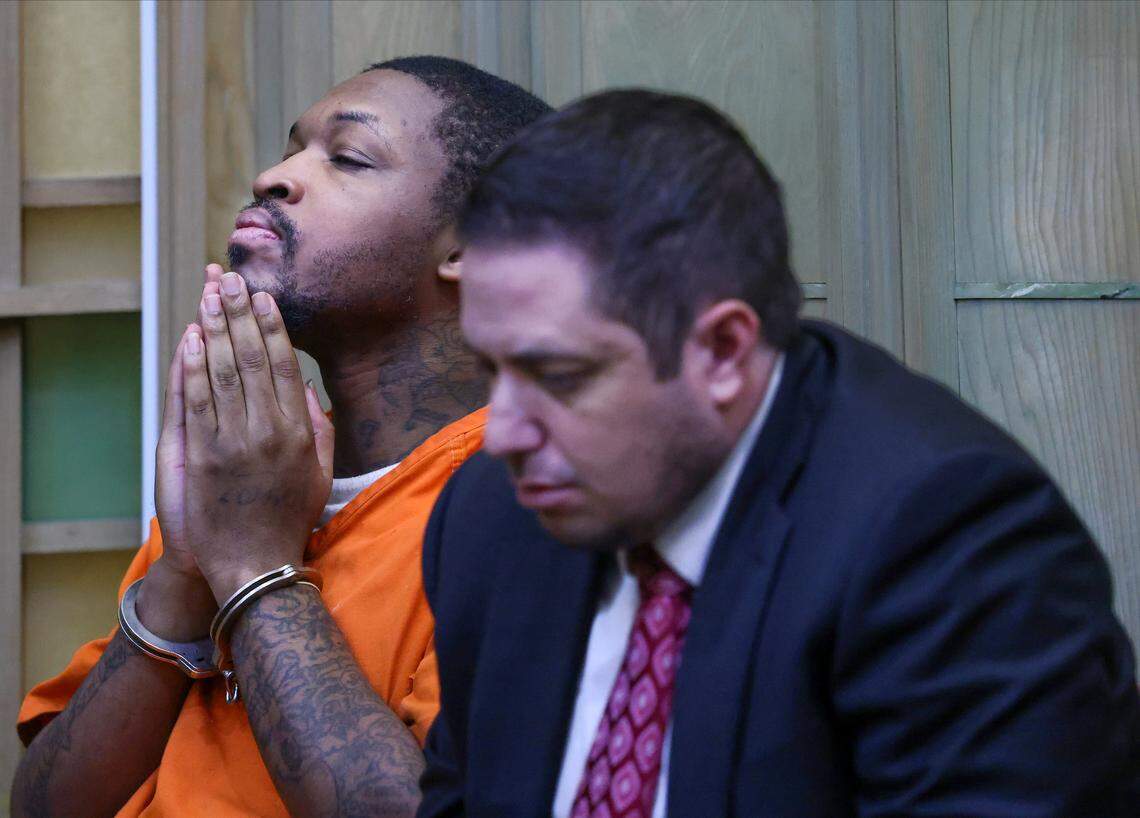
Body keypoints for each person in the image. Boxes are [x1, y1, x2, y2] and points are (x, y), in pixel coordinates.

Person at [417, 89, 1140, 817]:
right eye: (490, 369)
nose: (502, 431)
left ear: (724, 350)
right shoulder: (489, 513)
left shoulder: (947, 538)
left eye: (559, 376)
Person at [12, 56, 550, 818]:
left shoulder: (538, 504)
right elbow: (45, 805)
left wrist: (253, 564)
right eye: (291, 146)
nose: (273, 174)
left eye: (348, 157)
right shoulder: (249, 468)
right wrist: (183, 575)